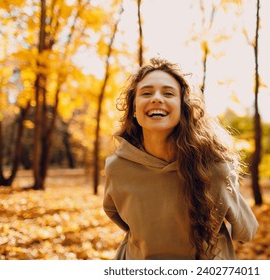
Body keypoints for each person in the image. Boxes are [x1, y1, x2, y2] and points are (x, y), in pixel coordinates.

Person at [103, 58, 258, 260]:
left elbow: (247, 230)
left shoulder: (214, 168)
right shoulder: (117, 168)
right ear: (133, 108)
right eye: (146, 93)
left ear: (183, 107)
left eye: (168, 93)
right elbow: (246, 230)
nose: (156, 99)